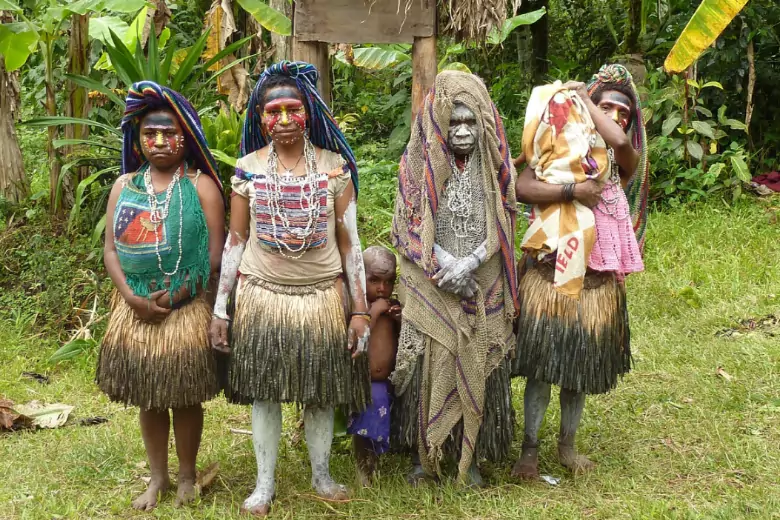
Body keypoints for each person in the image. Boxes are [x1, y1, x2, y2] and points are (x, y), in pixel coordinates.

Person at [209, 61, 370, 516]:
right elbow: (236, 241)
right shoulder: (248, 169)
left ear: (309, 113)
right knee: (265, 392)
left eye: (292, 109)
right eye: (272, 111)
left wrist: (359, 309)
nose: (282, 120)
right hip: (263, 295)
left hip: (321, 295)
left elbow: (350, 242)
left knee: (319, 389)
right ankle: (265, 483)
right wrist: (222, 308)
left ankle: (321, 473)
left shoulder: (334, 168)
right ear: (258, 117)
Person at [511, 64, 649, 479]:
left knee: (579, 368)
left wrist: (588, 104)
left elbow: (620, 139)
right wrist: (572, 191)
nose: (616, 116)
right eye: (608, 106)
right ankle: (529, 451)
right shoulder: (558, 148)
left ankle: (567, 446)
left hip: (596, 283)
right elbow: (522, 186)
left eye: (622, 110)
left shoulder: (621, 159)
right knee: (542, 367)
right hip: (553, 275)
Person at [96, 81, 226, 510]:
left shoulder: (202, 186)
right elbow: (110, 249)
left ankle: (187, 476)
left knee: (183, 394)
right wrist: (132, 299)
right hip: (133, 310)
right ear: (138, 139)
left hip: (183, 308)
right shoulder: (124, 185)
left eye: (169, 133)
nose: (159, 142)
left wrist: (174, 298)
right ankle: (158, 477)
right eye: (150, 134)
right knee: (150, 396)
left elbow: (213, 255)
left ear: (186, 136)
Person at [391, 70, 519, 487]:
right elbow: (407, 226)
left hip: (483, 279)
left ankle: (473, 452)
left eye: (470, 123)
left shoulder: (495, 166)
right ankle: (424, 454)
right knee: (429, 361)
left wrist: (472, 264)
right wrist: (444, 265)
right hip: (431, 281)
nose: (462, 132)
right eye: (454, 123)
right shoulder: (416, 164)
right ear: (438, 124)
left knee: (479, 357)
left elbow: (505, 223)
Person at [347, 245, 401, 486]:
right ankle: (363, 470)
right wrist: (373, 313)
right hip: (362, 382)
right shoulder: (357, 309)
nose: (382, 288)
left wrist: (399, 319)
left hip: (388, 381)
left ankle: (375, 463)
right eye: (374, 280)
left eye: (389, 282)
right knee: (366, 422)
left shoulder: (392, 305)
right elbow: (354, 337)